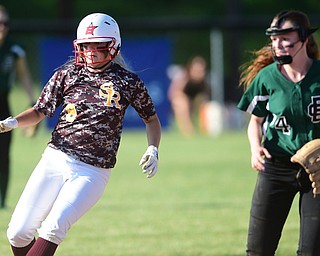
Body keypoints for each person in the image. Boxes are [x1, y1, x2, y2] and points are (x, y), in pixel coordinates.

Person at [0, 13, 161, 256]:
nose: (91, 52)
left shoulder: (128, 82)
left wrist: (153, 148)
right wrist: (12, 122)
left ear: (113, 46)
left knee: (53, 228)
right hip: (55, 158)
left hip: (92, 170)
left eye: (99, 46)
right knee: (18, 232)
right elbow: (40, 110)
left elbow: (152, 120)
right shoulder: (67, 74)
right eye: (86, 46)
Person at [237, 10, 320, 255]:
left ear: (304, 38)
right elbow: (255, 121)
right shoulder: (267, 78)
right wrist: (255, 147)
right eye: (274, 39)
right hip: (276, 166)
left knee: (312, 251)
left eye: (285, 38)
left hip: (317, 169)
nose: (278, 44)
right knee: (258, 249)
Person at [0, 5, 35, 209]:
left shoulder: (14, 49)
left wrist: (32, 101)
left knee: (3, 154)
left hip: (3, 103)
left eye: (5, 23)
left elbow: (24, 76)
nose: (2, 27)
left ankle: (2, 199)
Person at [168, 56, 210, 136]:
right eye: (197, 70)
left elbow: (205, 95)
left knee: (203, 102)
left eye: (202, 70)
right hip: (181, 100)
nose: (200, 73)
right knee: (181, 102)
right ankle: (187, 130)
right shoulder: (184, 77)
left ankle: (203, 128)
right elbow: (174, 93)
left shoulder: (204, 81)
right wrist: (187, 101)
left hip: (194, 100)